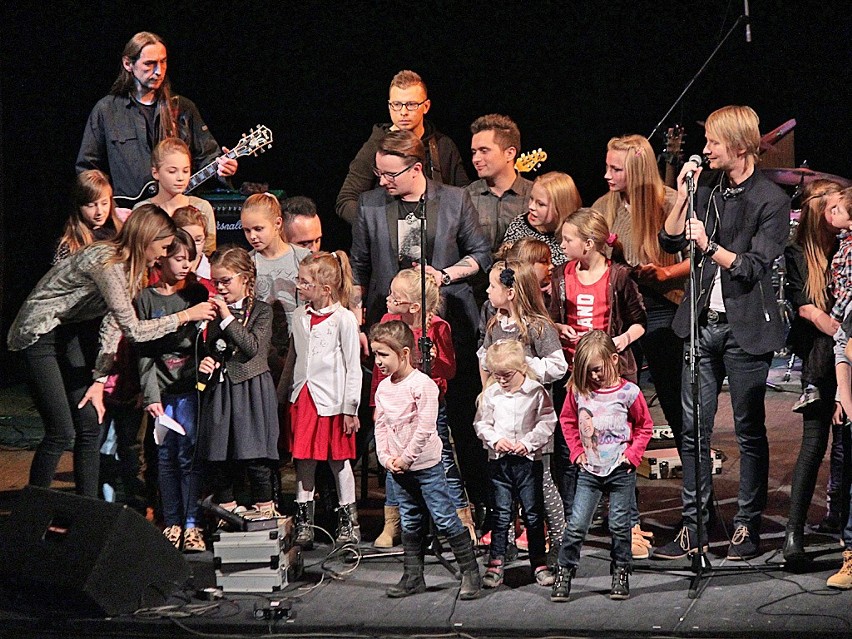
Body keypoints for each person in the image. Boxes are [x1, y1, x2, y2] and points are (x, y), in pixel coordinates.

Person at [7, 205, 216, 497]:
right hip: (37, 333)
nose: (164, 255)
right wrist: (185, 316)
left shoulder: (131, 268)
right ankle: (32, 511)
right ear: (147, 238)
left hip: (68, 332)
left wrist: (99, 379)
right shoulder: (109, 263)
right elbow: (134, 330)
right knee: (61, 431)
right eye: (164, 247)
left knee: (89, 423)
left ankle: (87, 511)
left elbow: (112, 324)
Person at [655, 105, 789, 560]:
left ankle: (746, 526)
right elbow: (670, 240)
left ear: (737, 145)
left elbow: (753, 266)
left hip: (744, 328)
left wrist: (710, 247)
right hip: (699, 325)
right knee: (693, 431)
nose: (705, 149)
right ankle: (695, 525)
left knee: (749, 431)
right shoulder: (706, 189)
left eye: (713, 142)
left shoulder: (771, 199)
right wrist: (681, 194)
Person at [350, 130, 491, 512]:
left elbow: (480, 255)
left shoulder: (453, 200)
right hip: (393, 330)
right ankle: (404, 515)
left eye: (390, 174)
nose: (383, 181)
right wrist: (359, 322)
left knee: (455, 421)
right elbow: (360, 268)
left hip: (442, 327)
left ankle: (475, 509)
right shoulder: (370, 205)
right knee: (396, 420)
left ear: (415, 169)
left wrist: (443, 276)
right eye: (379, 173)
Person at [549, 207, 649, 557]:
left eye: (567, 240)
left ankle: (629, 526)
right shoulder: (562, 275)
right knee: (574, 450)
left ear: (589, 244)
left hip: (611, 375)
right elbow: (553, 317)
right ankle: (573, 524)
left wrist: (619, 342)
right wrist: (559, 328)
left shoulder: (618, 276)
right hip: (574, 376)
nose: (561, 246)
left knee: (618, 448)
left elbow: (639, 322)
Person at [370, 320, 481, 600]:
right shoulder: (383, 389)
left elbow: (425, 429)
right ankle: (413, 576)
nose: (378, 361)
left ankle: (470, 573)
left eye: (383, 355)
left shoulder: (423, 385)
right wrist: (386, 458)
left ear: (405, 353)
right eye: (375, 354)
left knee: (444, 518)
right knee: (409, 521)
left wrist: (406, 458)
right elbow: (380, 426)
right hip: (397, 468)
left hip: (425, 468)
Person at [592, 134, 687, 451]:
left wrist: (664, 272)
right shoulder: (604, 207)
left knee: (673, 398)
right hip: (619, 311)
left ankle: (698, 489)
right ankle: (621, 488)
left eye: (615, 169)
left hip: (662, 307)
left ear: (638, 170)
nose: (607, 176)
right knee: (617, 399)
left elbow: (700, 257)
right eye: (607, 167)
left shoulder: (671, 203)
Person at [369, 269, 474, 546]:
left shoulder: (437, 327)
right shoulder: (388, 322)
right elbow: (380, 371)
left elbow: (449, 371)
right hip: (395, 404)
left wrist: (435, 359)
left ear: (414, 306)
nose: (388, 299)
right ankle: (393, 521)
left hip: (428, 404)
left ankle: (461, 518)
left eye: (395, 297)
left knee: (443, 460)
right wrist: (375, 404)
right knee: (394, 458)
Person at [551, 330, 653, 603]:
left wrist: (632, 455)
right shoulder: (579, 392)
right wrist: (576, 452)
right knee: (576, 526)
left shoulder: (629, 393)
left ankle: (621, 570)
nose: (594, 377)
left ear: (614, 359)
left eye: (597, 370)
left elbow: (645, 426)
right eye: (588, 372)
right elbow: (568, 422)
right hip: (589, 472)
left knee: (620, 526)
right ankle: (565, 571)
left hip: (621, 471)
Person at [76, 31, 236, 203]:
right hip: (128, 218)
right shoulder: (107, 110)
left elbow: (208, 156)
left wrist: (223, 169)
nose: (159, 71)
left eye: (163, 62)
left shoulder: (183, 108)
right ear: (128, 64)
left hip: (177, 213)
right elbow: (87, 170)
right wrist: (111, 209)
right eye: (150, 64)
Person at [782, 179, 844, 563]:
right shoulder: (797, 251)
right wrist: (838, 328)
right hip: (822, 354)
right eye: (833, 207)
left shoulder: (846, 246)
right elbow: (804, 306)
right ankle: (793, 535)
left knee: (846, 447)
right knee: (813, 445)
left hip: (844, 354)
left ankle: (841, 520)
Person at [135, 229, 209, 551]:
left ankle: (192, 524)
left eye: (189, 260)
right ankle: (173, 521)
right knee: (164, 456)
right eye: (179, 258)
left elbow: (206, 341)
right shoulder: (147, 299)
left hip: (189, 390)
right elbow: (145, 351)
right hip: (162, 393)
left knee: (188, 455)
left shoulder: (194, 294)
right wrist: (151, 395)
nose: (185, 266)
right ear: (162, 257)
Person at [197, 246, 280, 520]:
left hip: (251, 388)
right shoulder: (211, 313)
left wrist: (227, 317)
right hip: (221, 390)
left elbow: (252, 347)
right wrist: (205, 361)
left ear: (245, 278)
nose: (219, 288)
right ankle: (227, 516)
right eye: (215, 281)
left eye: (225, 281)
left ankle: (264, 515)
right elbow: (210, 347)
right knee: (220, 457)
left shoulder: (262, 311)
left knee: (255, 458)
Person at [289, 251, 363, 547]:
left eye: (305, 282)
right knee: (303, 461)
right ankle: (303, 522)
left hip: (332, 401)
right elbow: (296, 358)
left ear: (326, 288)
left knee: (338, 462)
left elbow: (353, 366)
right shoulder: (299, 316)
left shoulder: (344, 319)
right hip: (304, 398)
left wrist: (350, 407)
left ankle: (349, 523)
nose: (299, 285)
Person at [474, 340, 558, 589]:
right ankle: (496, 563)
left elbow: (547, 422)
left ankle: (539, 564)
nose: (501, 380)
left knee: (533, 515)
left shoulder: (535, 392)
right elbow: (481, 424)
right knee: (500, 514)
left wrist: (529, 443)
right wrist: (495, 440)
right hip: (500, 463)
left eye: (507, 375)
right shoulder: (491, 394)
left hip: (527, 462)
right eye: (496, 375)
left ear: (522, 368)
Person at [336, 70, 468, 226]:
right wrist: (379, 228)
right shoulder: (375, 146)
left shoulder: (443, 146)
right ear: (389, 106)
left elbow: (464, 196)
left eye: (411, 105)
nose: (403, 112)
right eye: (397, 105)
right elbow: (346, 200)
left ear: (426, 106)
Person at [134, 138, 217, 255]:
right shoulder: (143, 209)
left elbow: (209, 253)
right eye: (172, 171)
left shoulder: (202, 207)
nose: (180, 178)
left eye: (185, 171)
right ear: (155, 173)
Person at [466, 114, 533, 253]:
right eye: (474, 152)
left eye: (484, 151)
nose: (476, 159)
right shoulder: (465, 197)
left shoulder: (534, 196)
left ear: (510, 153)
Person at [503, 172, 582, 267]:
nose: (531, 207)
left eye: (540, 204)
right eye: (531, 199)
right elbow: (505, 266)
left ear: (560, 207)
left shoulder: (577, 235)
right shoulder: (519, 225)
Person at [54, 170, 123, 264]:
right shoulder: (70, 246)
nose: (99, 211)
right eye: (91, 206)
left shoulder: (122, 233)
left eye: (104, 203)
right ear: (78, 207)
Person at [173, 205, 215, 293]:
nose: (192, 245)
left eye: (198, 240)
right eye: (186, 239)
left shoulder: (214, 273)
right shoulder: (165, 273)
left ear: (205, 238)